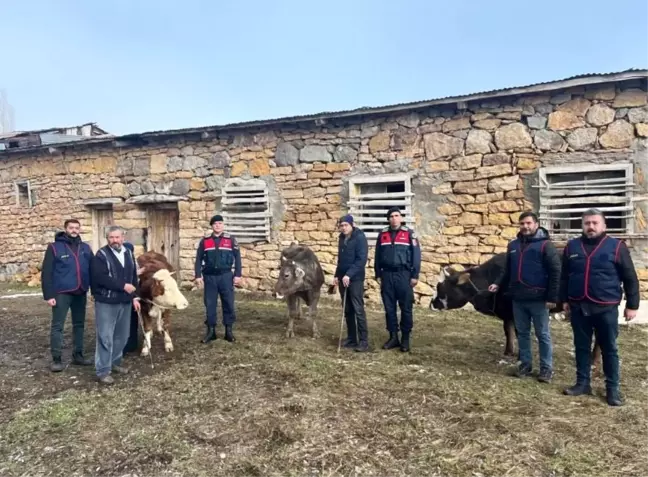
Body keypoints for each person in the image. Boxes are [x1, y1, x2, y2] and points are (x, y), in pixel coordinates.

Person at [559, 209, 639, 407]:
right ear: (582, 225)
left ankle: (613, 390)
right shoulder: (572, 246)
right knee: (581, 347)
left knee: (609, 349)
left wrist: (632, 305)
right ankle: (582, 383)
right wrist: (564, 300)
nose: (591, 227)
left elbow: (630, 277)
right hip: (579, 306)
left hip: (606, 307)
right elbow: (564, 276)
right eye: (587, 223)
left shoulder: (616, 247)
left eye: (595, 223)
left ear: (604, 226)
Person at [489, 211, 561, 382]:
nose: (525, 227)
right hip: (518, 297)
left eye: (528, 223)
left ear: (536, 224)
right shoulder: (513, 245)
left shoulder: (546, 246)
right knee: (522, 333)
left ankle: (546, 369)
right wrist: (498, 283)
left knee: (542, 334)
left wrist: (552, 297)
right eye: (522, 224)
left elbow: (556, 271)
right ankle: (525, 365)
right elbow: (507, 269)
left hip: (538, 298)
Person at [41, 219, 94, 372]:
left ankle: (78, 355)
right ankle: (56, 359)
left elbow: (93, 269)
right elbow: (47, 273)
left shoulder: (85, 248)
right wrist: (49, 295)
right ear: (65, 229)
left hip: (80, 291)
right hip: (61, 293)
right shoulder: (54, 247)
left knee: (79, 325)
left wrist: (94, 291)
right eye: (71, 228)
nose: (74, 230)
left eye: (77, 228)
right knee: (58, 326)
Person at [90, 226, 141, 385]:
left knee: (122, 335)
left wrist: (134, 297)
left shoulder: (128, 253)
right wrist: (122, 286)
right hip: (106, 301)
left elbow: (133, 277)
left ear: (123, 238)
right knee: (105, 336)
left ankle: (114, 362)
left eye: (117, 237)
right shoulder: (101, 255)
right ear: (107, 239)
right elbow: (100, 278)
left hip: (125, 301)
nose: (115, 240)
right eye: (111, 237)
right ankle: (103, 370)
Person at [374, 206, 421, 352]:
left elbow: (416, 256)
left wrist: (414, 275)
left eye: (396, 215)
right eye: (391, 216)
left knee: (406, 307)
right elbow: (377, 256)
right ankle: (393, 337)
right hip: (387, 275)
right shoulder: (382, 235)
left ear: (401, 218)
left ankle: (405, 339)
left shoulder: (409, 235)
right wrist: (378, 274)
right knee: (389, 308)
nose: (394, 218)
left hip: (404, 275)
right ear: (388, 219)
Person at [194, 214, 242, 344]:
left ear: (223, 225)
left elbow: (237, 258)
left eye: (220, 223)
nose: (218, 225)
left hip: (226, 276)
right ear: (212, 226)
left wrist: (238, 275)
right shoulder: (205, 241)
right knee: (210, 304)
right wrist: (198, 275)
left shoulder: (231, 239)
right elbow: (198, 259)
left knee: (228, 303)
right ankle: (211, 332)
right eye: (215, 224)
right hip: (210, 277)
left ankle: (229, 332)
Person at [333, 215, 369, 352]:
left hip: (355, 279)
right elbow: (341, 260)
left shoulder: (359, 238)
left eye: (345, 225)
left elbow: (361, 259)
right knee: (347, 309)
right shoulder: (342, 238)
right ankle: (352, 338)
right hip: (343, 279)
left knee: (358, 308)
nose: (343, 228)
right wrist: (337, 275)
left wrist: (349, 274)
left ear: (352, 224)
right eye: (341, 225)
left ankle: (364, 341)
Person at [122, 241, 140, 355]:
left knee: (133, 319)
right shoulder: (121, 259)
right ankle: (125, 345)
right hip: (123, 293)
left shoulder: (133, 260)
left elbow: (134, 276)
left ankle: (132, 343)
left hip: (133, 294)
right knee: (124, 321)